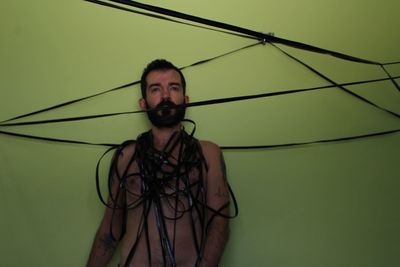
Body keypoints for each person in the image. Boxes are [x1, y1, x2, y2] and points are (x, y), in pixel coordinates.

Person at [87, 59, 235, 267]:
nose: (166, 96)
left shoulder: (208, 154)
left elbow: (219, 225)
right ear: (143, 103)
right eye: (155, 89)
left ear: (185, 99)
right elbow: (110, 231)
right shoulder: (125, 157)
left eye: (173, 88)